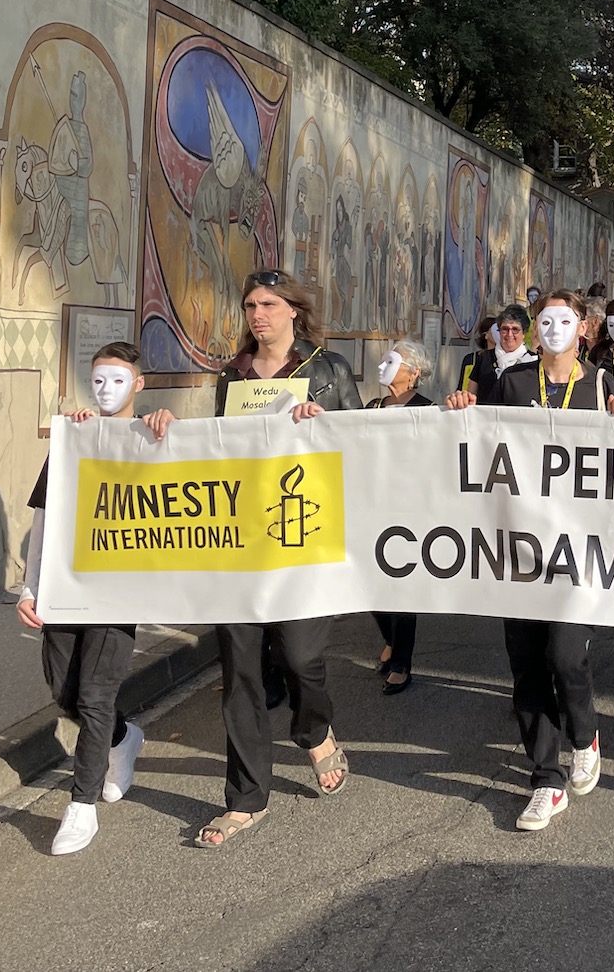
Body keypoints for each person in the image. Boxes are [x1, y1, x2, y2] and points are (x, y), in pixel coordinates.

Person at [445, 290, 614, 830]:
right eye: (545, 320)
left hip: (578, 551)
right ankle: (546, 779)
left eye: (565, 320)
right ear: (535, 329)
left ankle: (585, 734)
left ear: (584, 328)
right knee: (527, 662)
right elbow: (484, 443)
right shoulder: (513, 381)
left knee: (565, 654)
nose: (554, 329)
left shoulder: (600, 384)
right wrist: (462, 411)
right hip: (520, 547)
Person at [197, 270, 359, 849]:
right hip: (241, 539)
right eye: (249, 305)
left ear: (293, 310)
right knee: (240, 672)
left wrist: (325, 427)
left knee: (300, 655)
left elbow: (362, 444)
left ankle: (313, 731)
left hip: (306, 535)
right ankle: (245, 800)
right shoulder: (232, 375)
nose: (257, 314)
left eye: (267, 304)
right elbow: (215, 446)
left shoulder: (328, 369)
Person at [17, 341, 172, 854]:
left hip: (119, 588)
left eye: (118, 380)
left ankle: (80, 806)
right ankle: (123, 739)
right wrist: (31, 586)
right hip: (68, 584)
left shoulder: (153, 437)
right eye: (98, 380)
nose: (106, 390)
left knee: (95, 696)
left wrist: (169, 432)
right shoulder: (73, 438)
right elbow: (44, 520)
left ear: (139, 385)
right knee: (64, 692)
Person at [368, 339, 434, 695]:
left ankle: (401, 664)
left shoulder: (428, 410)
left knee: (402, 588)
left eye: (391, 361)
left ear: (414, 372)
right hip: (373, 504)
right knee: (373, 586)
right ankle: (391, 640)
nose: (382, 366)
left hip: (410, 509)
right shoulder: (372, 407)